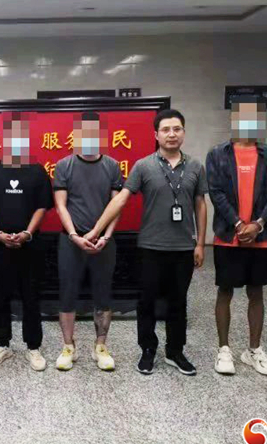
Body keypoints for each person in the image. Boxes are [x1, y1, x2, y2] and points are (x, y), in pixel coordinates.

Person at [86, 108, 207, 376]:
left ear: (184, 133)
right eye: (165, 130)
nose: (171, 134)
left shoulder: (196, 166)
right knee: (147, 301)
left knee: (178, 302)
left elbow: (200, 204)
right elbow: (121, 199)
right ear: (156, 135)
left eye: (176, 129)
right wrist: (97, 229)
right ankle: (148, 350)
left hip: (183, 248)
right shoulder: (143, 166)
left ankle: (175, 351)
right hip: (150, 247)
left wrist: (200, 243)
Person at [206, 100, 267, 376]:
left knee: (256, 292)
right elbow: (216, 192)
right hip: (229, 235)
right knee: (225, 291)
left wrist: (258, 224)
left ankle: (253, 350)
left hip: (260, 237)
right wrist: (239, 223)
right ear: (234, 121)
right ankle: (223, 349)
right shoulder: (218, 154)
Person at [0, 113, 53, 371]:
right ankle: (3, 345)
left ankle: (33, 347)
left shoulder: (37, 171)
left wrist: (28, 233)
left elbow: (42, 206)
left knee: (31, 296)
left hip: (30, 245)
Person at [53, 112, 122, 372]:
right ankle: (68, 346)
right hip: (71, 240)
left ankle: (100, 347)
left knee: (103, 295)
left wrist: (105, 236)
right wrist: (74, 235)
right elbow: (60, 205)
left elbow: (116, 206)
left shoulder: (112, 166)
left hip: (104, 242)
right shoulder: (64, 165)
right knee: (67, 294)